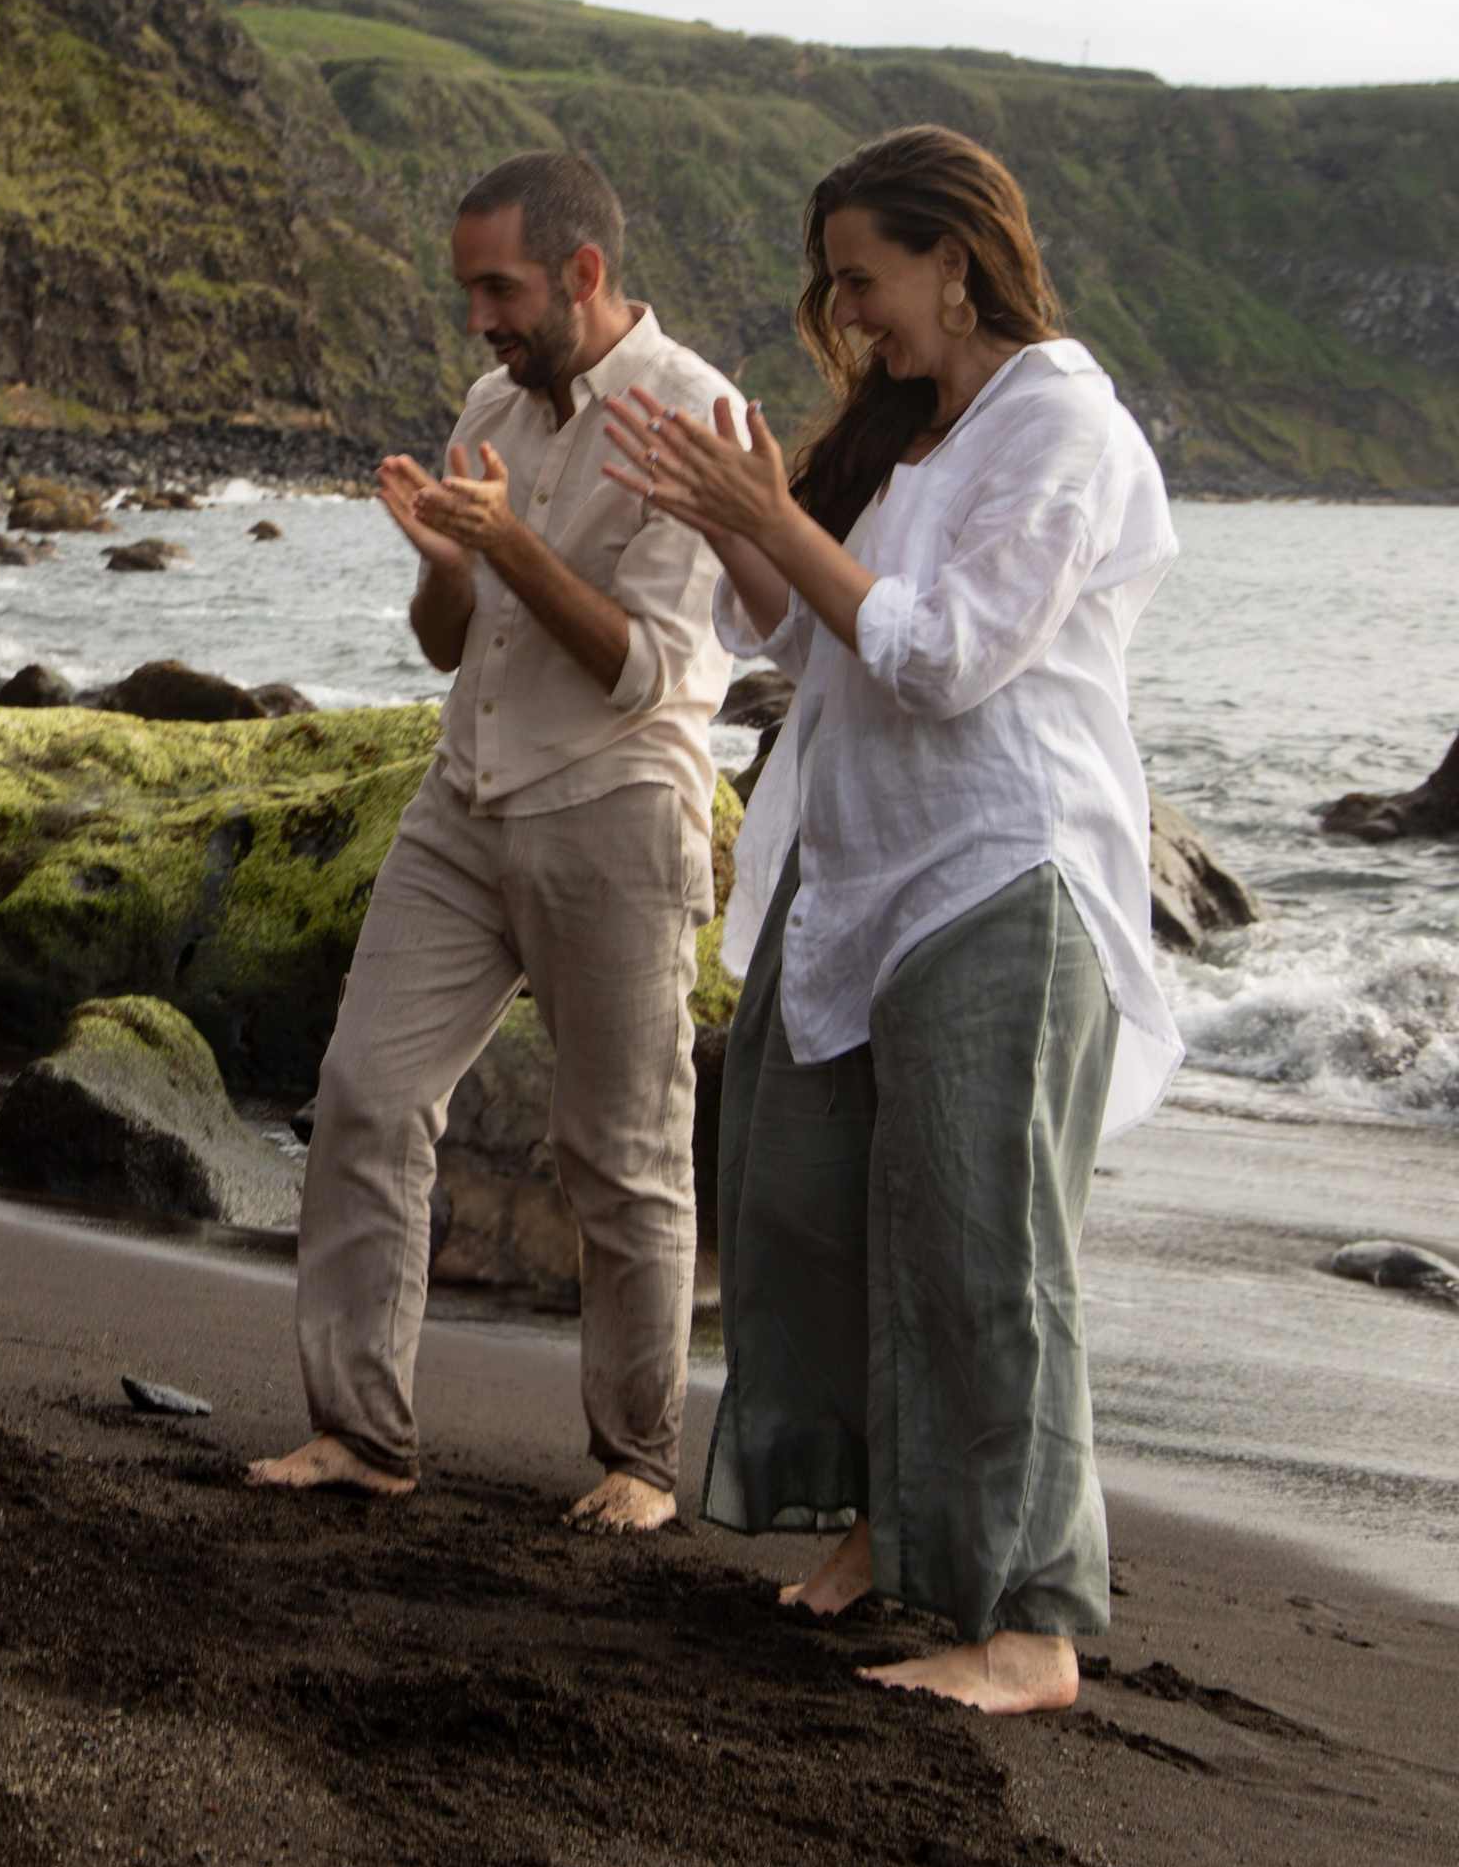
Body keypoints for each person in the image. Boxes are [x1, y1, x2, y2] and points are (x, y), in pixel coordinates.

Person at [598, 124, 1179, 1714]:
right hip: (855, 878)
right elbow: (804, 631)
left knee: (986, 1255)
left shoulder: (1062, 425)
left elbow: (946, 656)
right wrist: (733, 510)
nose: (846, 313)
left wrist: (775, 519)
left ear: (957, 260)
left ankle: (1028, 1625)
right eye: (835, 285)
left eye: (865, 279)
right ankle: (884, 1528)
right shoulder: (917, 434)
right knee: (799, 1208)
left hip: (1005, 873)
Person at [247, 148, 744, 1526]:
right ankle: (361, 1432)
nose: (480, 320)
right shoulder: (495, 402)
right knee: (364, 1096)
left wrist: (513, 545)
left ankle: (638, 1462)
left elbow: (646, 670)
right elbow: (451, 642)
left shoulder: (694, 417)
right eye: (470, 290)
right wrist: (447, 564)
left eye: (501, 289)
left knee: (624, 1151)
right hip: (464, 797)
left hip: (616, 808)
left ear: (585, 272)